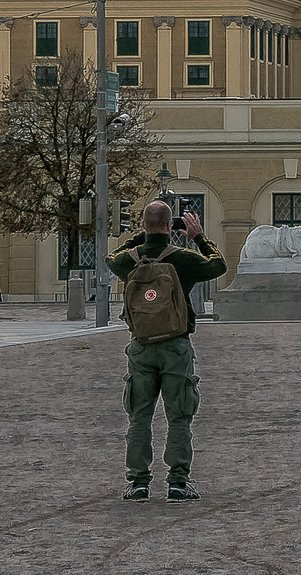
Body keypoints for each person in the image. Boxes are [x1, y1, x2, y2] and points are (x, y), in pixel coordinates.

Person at [107, 200, 226, 503]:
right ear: (170, 225)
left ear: (146, 225)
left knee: (139, 416)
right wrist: (198, 236)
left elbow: (111, 258)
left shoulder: (129, 260)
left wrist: (141, 238)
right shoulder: (181, 258)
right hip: (175, 345)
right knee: (179, 415)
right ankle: (178, 482)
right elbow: (218, 264)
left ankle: (138, 483)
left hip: (141, 345)